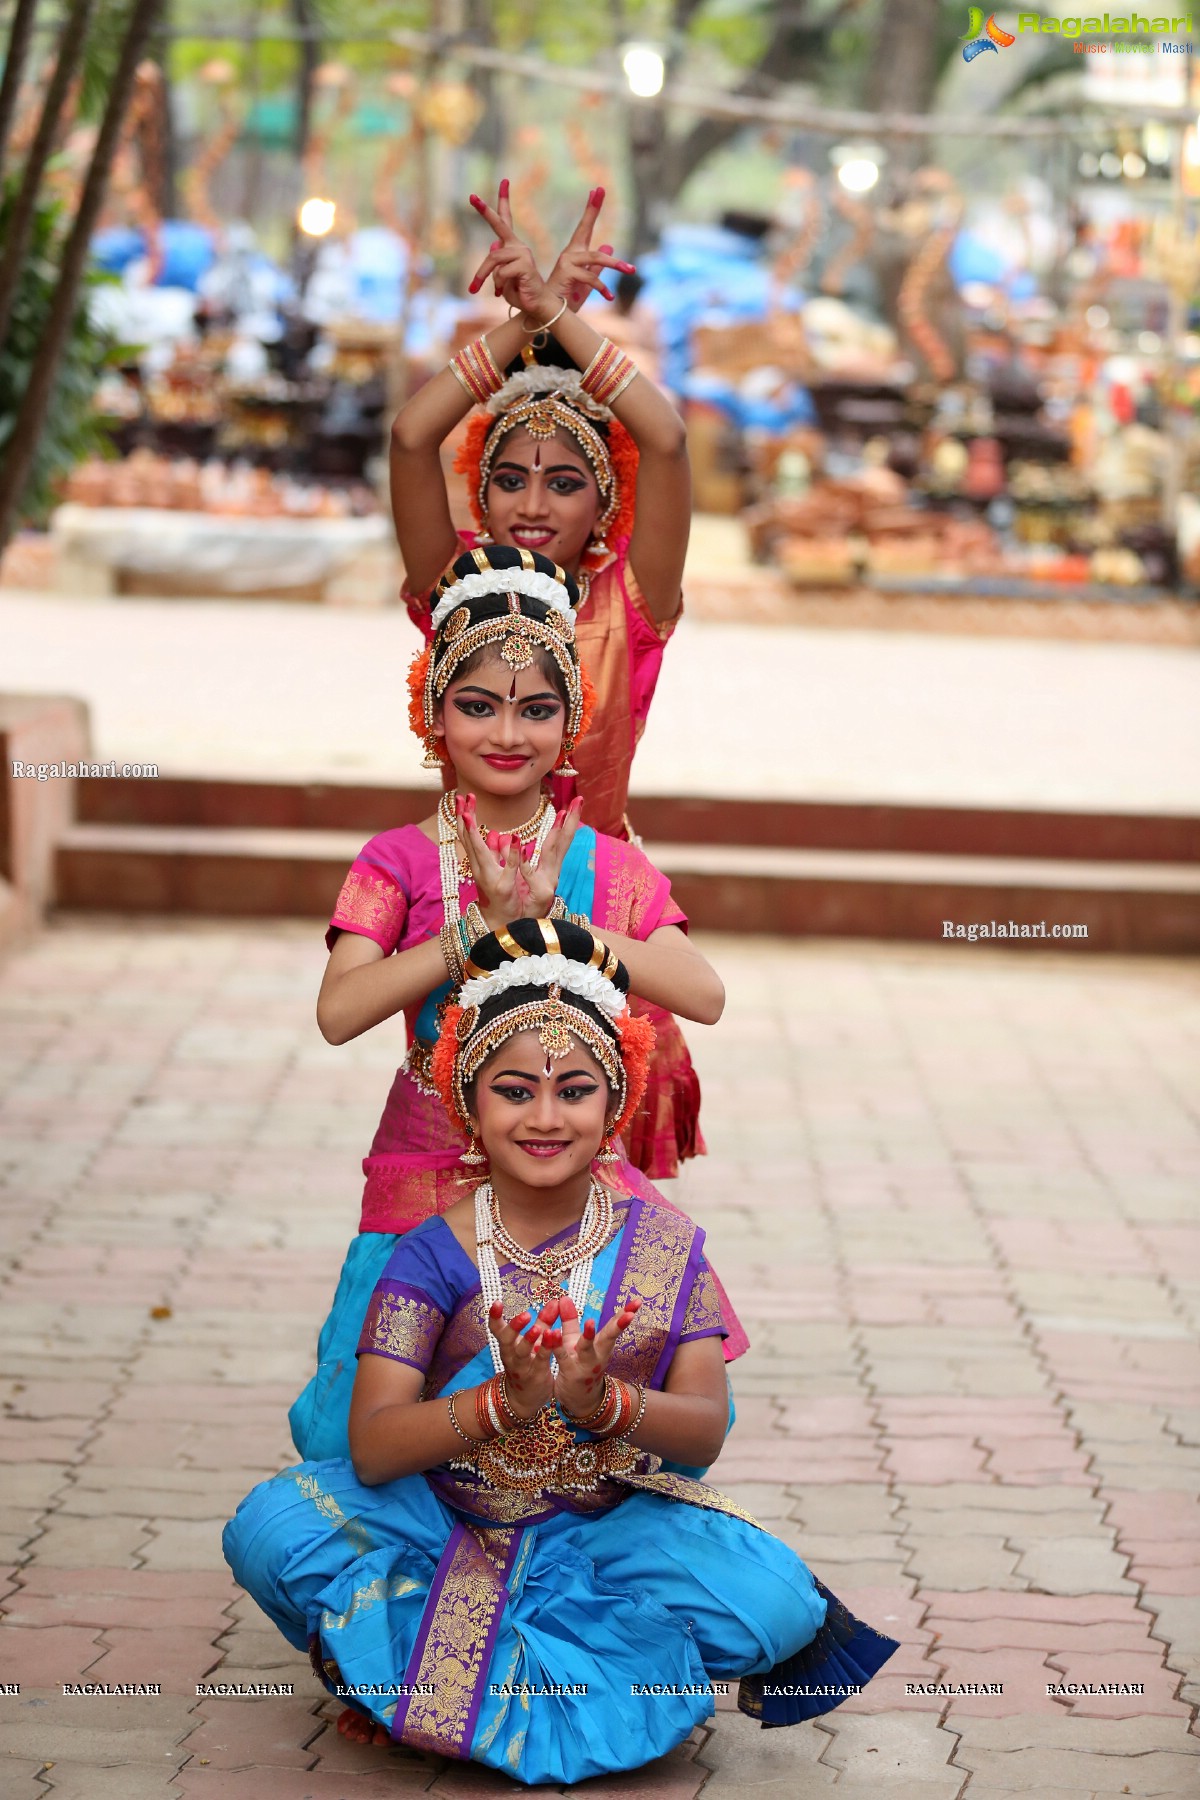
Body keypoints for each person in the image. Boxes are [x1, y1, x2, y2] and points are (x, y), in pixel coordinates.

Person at [225, 922, 899, 1784]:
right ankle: (490, 1671)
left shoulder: (664, 1247)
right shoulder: (430, 1253)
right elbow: (375, 1444)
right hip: (442, 1523)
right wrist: (503, 1402)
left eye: (575, 1090)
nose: (545, 1117)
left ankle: (422, 1681)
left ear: (614, 1106)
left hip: (599, 1527)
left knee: (773, 1608)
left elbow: (702, 1433)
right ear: (469, 1104)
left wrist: (600, 1404)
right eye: (514, 1091)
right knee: (271, 1529)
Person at [289, 545, 745, 1468]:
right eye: (477, 705)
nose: (508, 733)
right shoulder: (398, 861)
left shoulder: (606, 866)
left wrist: (561, 925)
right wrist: (474, 934)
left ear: (571, 719)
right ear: (434, 712)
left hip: (567, 1157)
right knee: (369, 1420)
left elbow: (703, 992)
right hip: (428, 1162)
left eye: (537, 709)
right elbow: (340, 1012)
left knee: (608, 1382)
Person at [390, 180, 689, 845]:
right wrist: (525, 322)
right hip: (461, 879)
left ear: (606, 499)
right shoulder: (457, 582)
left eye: (562, 483)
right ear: (481, 492)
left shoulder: (630, 604)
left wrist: (557, 313)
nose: (531, 506)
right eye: (509, 480)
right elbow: (411, 439)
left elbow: (666, 440)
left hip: (600, 888)